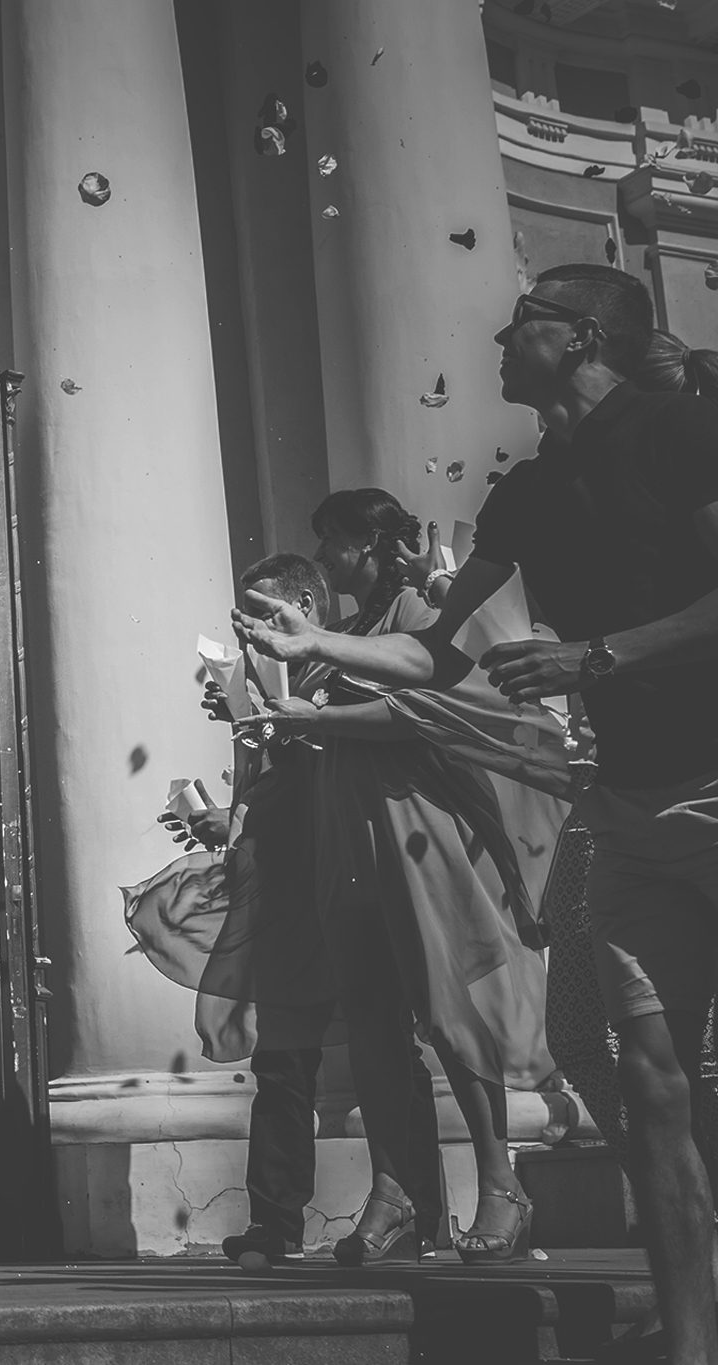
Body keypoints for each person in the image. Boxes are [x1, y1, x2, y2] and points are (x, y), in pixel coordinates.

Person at [237, 264, 718, 1362]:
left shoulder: (682, 431)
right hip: (629, 808)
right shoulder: (523, 493)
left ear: (582, 335)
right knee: (649, 1084)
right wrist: (315, 643)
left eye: (522, 323)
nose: (500, 339)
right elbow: (434, 653)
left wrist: (598, 656)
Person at [238, 490, 559, 1266]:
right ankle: (394, 1191)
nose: (325, 556)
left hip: (410, 826)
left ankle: (501, 1185)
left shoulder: (418, 612)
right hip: (345, 834)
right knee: (373, 1020)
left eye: (335, 541)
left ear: (372, 546)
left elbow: (426, 707)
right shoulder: (344, 632)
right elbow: (322, 727)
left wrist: (318, 718)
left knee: (447, 1013)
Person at [132, 553, 442, 1265]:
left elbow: (370, 750)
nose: (251, 631)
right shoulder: (257, 679)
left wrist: (291, 724)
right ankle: (274, 1221)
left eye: (263, 613)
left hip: (346, 865)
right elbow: (263, 779)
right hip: (283, 877)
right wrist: (231, 811)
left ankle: (421, 1210)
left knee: (387, 1037)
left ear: (305, 606)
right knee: (280, 1053)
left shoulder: (345, 664)